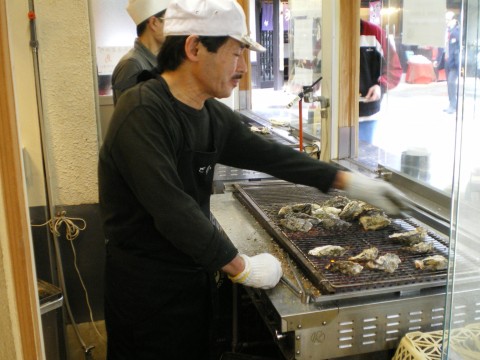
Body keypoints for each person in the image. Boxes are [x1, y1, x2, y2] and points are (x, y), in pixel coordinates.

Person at [98, 0, 407, 358]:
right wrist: (241, 267)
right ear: (194, 47)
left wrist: (347, 181)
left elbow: (273, 156)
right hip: (145, 294)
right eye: (236, 53)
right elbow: (172, 209)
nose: (243, 67)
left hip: (192, 280)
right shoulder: (142, 111)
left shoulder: (211, 114)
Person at [111, 0, 170, 105]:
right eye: (169, 20)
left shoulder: (161, 61)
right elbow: (130, 115)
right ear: (154, 23)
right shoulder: (131, 65)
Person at [359, 19, 402, 143]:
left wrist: (380, 86)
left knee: (362, 157)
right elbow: (316, 63)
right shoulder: (331, 31)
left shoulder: (375, 32)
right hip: (335, 111)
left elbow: (393, 68)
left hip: (366, 113)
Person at [443, 11, 460, 114]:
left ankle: (453, 106)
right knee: (449, 85)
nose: (446, 22)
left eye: (448, 20)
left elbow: (457, 48)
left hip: (454, 63)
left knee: (451, 83)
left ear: (454, 20)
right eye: (445, 19)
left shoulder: (457, 31)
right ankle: (451, 104)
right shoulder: (447, 31)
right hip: (447, 61)